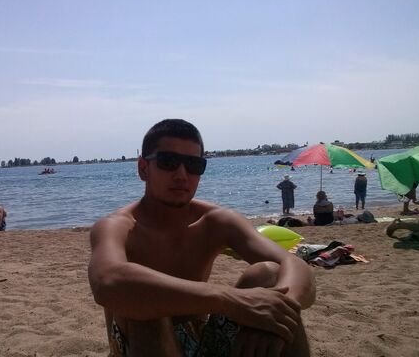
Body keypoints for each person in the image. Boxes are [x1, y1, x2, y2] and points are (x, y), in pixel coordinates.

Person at [88, 119, 315, 357]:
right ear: (143, 168)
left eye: (193, 165)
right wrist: (228, 300)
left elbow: (296, 266)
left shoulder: (216, 221)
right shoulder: (118, 226)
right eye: (168, 162)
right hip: (138, 343)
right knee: (144, 307)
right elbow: (107, 282)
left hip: (204, 341)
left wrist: (277, 312)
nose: (181, 174)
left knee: (268, 273)